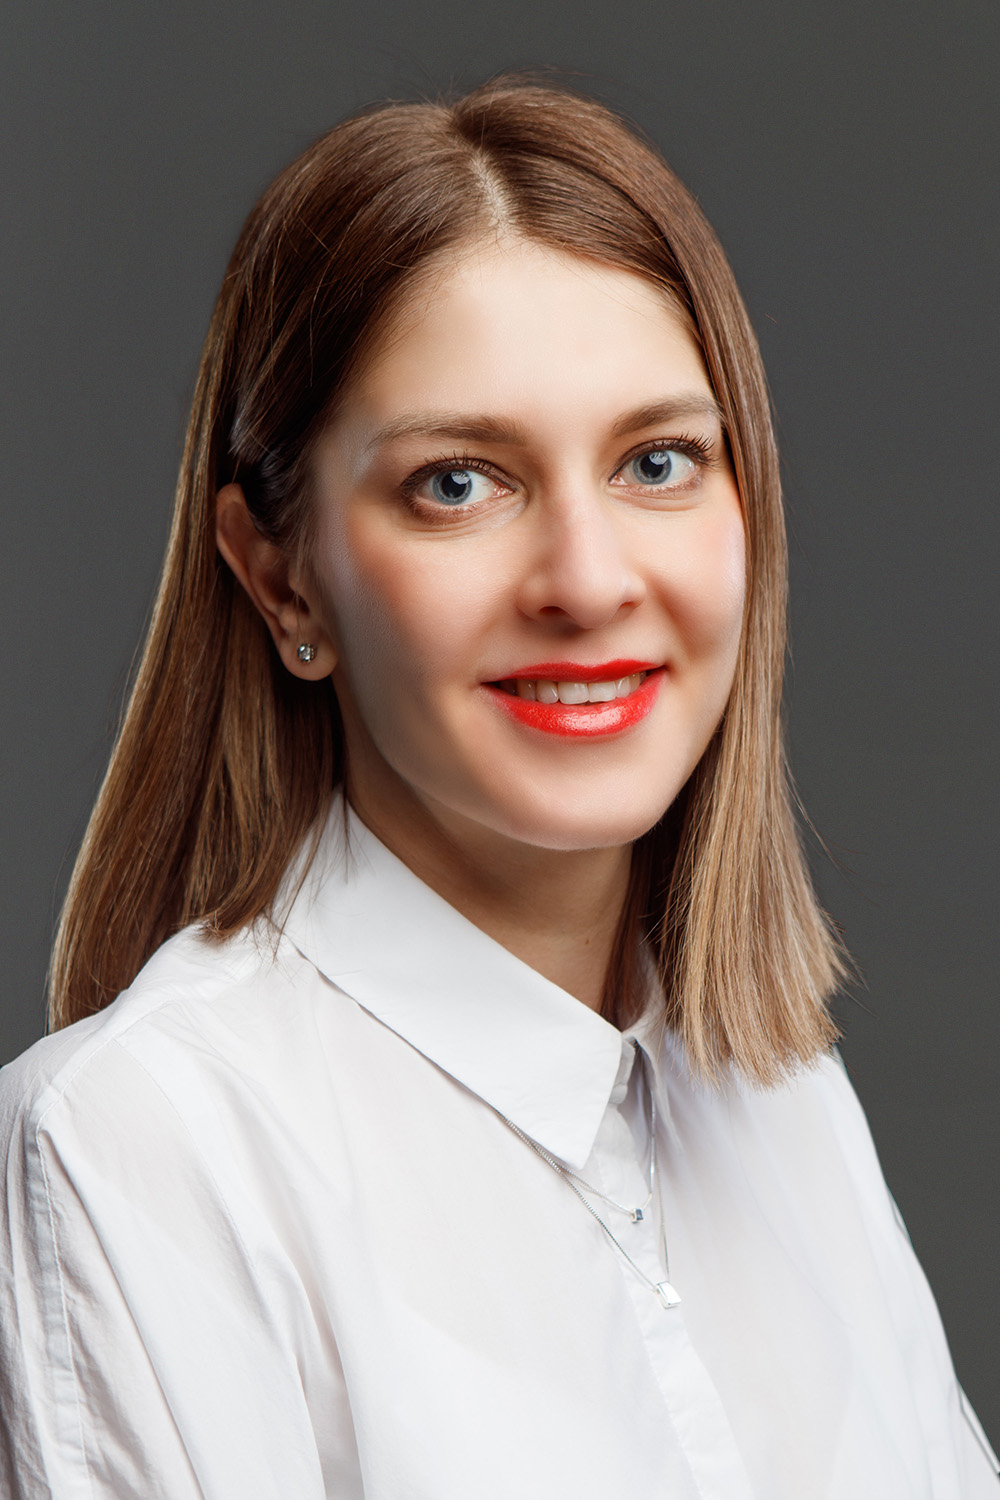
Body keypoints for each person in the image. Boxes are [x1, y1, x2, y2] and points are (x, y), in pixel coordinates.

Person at [0, 77, 995, 1499]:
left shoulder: (785, 1098)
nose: (588, 581)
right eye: (459, 484)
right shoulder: (136, 1150)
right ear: (283, 579)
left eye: (658, 462)